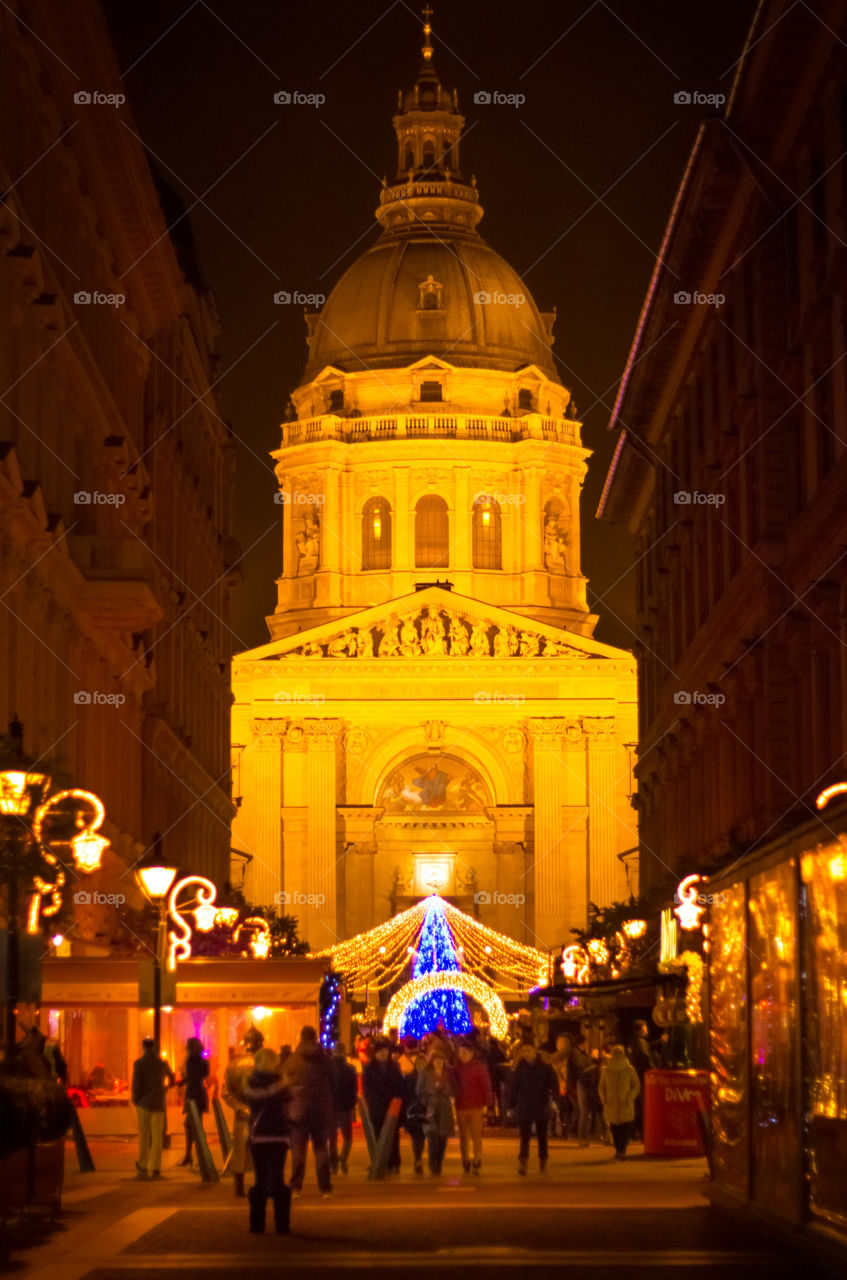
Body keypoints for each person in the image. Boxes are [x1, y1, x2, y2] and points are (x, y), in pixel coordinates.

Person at [242, 1048, 291, 1234]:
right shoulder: (283, 1082)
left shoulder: (249, 1082)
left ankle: (257, 1224)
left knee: (260, 1179)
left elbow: (248, 1101)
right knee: (278, 1178)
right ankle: (282, 1224)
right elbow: (289, 1103)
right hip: (279, 1134)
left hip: (259, 1135)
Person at [283, 1026, 334, 1196]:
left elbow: (285, 1084)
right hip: (320, 1110)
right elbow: (332, 1081)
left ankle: (296, 1187)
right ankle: (325, 1188)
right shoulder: (325, 1058)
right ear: (315, 1038)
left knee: (298, 1150)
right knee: (321, 1149)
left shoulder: (292, 1060)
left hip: (298, 1111)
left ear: (301, 1038)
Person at [222, 1025, 264, 1197]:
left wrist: (240, 1107)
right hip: (262, 1112)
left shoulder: (233, 1064)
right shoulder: (266, 1063)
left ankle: (238, 1186)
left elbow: (226, 1092)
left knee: (240, 1150)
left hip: (242, 1112)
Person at [507, 1043, 559, 1175]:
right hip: (525, 1104)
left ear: (535, 1051)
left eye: (529, 1050)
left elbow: (554, 1084)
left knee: (542, 1136)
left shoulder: (545, 1066)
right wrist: (511, 1105)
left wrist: (555, 1100)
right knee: (525, 1136)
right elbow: (514, 1087)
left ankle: (543, 1161)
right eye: (524, 1050)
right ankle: (523, 1162)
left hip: (542, 1104)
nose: (526, 1053)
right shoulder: (521, 1067)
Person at [131, 1038, 174, 1180]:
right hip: (158, 1103)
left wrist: (135, 1099)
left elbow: (137, 1083)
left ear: (143, 1047)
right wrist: (166, 1088)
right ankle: (156, 1166)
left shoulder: (139, 1063)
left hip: (143, 1102)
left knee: (144, 1135)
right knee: (157, 1137)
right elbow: (172, 1077)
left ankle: (143, 1163)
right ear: (154, 1047)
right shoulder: (162, 1063)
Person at [362, 1039, 405, 1175]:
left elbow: (400, 1085)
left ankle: (394, 1163)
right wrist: (370, 1101)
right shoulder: (369, 1068)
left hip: (392, 1106)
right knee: (378, 1135)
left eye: (386, 1051)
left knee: (393, 1136)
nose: (383, 1053)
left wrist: (398, 1099)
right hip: (377, 1106)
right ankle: (381, 1163)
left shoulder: (394, 1067)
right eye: (381, 1051)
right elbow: (367, 1087)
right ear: (375, 1053)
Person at [451, 1040, 494, 1174]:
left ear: (471, 1053)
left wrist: (489, 1104)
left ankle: (477, 1159)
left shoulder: (479, 1068)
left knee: (476, 1135)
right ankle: (465, 1159)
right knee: (463, 1135)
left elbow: (486, 1086)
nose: (462, 1055)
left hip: (476, 1106)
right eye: (460, 1052)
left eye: (464, 1052)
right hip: (461, 1105)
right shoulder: (456, 1069)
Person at [598, 1045, 640, 1160]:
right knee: (614, 1129)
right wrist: (604, 1098)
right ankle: (618, 1150)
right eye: (615, 1053)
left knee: (624, 1129)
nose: (617, 1055)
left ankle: (622, 1150)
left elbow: (636, 1085)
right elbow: (601, 1087)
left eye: (618, 1053)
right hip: (611, 1104)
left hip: (624, 1104)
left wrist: (630, 1098)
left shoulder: (629, 1070)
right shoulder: (606, 1071)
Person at [417, 1051, 454, 1174]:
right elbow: (419, 1090)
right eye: (436, 1060)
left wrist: (446, 1090)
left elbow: (454, 1089)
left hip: (444, 1106)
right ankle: (433, 1163)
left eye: (441, 1060)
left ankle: (439, 1162)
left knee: (443, 1136)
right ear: (432, 1062)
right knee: (432, 1136)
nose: (438, 1062)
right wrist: (428, 1096)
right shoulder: (425, 1073)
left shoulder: (447, 1074)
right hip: (430, 1106)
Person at [176, 1037, 209, 1167]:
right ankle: (196, 1155)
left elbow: (190, 1077)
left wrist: (180, 1082)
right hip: (200, 1093)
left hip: (192, 1094)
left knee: (190, 1125)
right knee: (196, 1125)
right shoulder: (204, 1061)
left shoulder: (190, 1060)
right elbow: (202, 1076)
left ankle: (192, 1155)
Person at [328, 1041, 358, 1176]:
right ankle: (343, 1159)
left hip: (331, 1106)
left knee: (332, 1138)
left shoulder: (327, 1068)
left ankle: (333, 1163)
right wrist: (352, 1106)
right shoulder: (350, 1069)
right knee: (348, 1138)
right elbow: (353, 1090)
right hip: (345, 1106)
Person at [627, 1020, 656, 1138]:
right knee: (643, 1105)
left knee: (636, 1106)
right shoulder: (640, 1042)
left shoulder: (634, 1041)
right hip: (641, 1076)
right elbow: (646, 1057)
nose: (647, 1029)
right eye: (645, 1027)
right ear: (641, 1029)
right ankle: (643, 1131)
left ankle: (634, 1131)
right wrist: (654, 1070)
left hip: (635, 1076)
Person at [404, 1052, 429, 1174]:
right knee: (416, 1136)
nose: (421, 1065)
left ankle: (419, 1158)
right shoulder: (410, 1078)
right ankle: (417, 1158)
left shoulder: (429, 1077)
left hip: (425, 1110)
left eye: (423, 1063)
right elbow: (406, 1094)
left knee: (422, 1136)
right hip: (413, 1111)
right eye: (419, 1063)